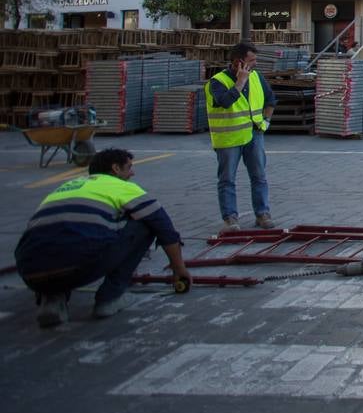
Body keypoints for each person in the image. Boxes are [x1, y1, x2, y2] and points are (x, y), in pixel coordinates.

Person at [14, 148, 192, 327]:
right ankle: (110, 298)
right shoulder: (121, 187)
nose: (133, 173)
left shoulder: (67, 186)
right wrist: (179, 268)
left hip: (28, 269)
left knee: (58, 242)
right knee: (146, 223)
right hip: (83, 263)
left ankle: (51, 301)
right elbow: (164, 227)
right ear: (115, 169)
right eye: (129, 167)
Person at [205, 41, 277, 233]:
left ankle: (262, 214)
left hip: (254, 134)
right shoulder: (217, 82)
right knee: (227, 179)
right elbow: (226, 102)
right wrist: (240, 82)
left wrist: (266, 122)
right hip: (229, 138)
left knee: (259, 176)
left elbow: (271, 100)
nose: (255, 64)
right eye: (251, 60)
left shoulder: (257, 77)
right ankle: (230, 219)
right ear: (239, 62)